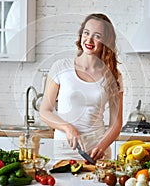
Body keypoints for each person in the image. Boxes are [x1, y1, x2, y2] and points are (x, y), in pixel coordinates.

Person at [39, 13, 123, 162]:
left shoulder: (113, 75)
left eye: (97, 36)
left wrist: (101, 147)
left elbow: (116, 123)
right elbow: (44, 111)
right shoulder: (61, 67)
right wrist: (67, 128)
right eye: (86, 32)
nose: (89, 40)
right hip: (65, 148)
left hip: (97, 149)